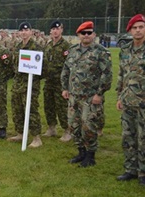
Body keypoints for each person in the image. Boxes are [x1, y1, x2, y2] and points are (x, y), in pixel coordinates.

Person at [61, 21, 112, 167]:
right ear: (78, 35)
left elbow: (107, 75)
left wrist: (99, 94)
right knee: (73, 125)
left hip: (90, 98)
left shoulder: (101, 52)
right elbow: (66, 70)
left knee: (88, 126)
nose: (86, 35)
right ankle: (81, 152)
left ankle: (90, 155)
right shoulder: (73, 50)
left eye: (89, 32)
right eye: (83, 33)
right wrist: (65, 88)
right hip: (73, 96)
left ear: (94, 35)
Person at [116, 14, 145, 185]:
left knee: (143, 138)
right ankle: (130, 169)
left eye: (141, 27)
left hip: (143, 103)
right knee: (128, 137)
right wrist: (120, 96)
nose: (138, 30)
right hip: (127, 101)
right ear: (130, 30)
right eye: (135, 28)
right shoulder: (125, 49)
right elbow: (121, 74)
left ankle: (143, 172)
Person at [7, 22, 43, 148]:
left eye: (26, 30)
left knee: (31, 110)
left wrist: (34, 79)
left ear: (31, 32)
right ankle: (20, 133)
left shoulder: (36, 47)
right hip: (17, 83)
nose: (23, 32)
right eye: (21, 30)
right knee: (17, 109)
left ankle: (36, 137)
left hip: (30, 84)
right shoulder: (17, 46)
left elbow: (42, 68)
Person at [42, 21, 72, 142]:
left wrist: (67, 84)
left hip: (61, 82)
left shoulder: (66, 46)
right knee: (49, 106)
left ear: (62, 30)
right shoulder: (48, 45)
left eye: (57, 29)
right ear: (50, 31)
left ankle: (67, 130)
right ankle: (51, 128)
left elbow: (70, 65)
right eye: (53, 29)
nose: (55, 31)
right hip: (49, 81)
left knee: (62, 107)